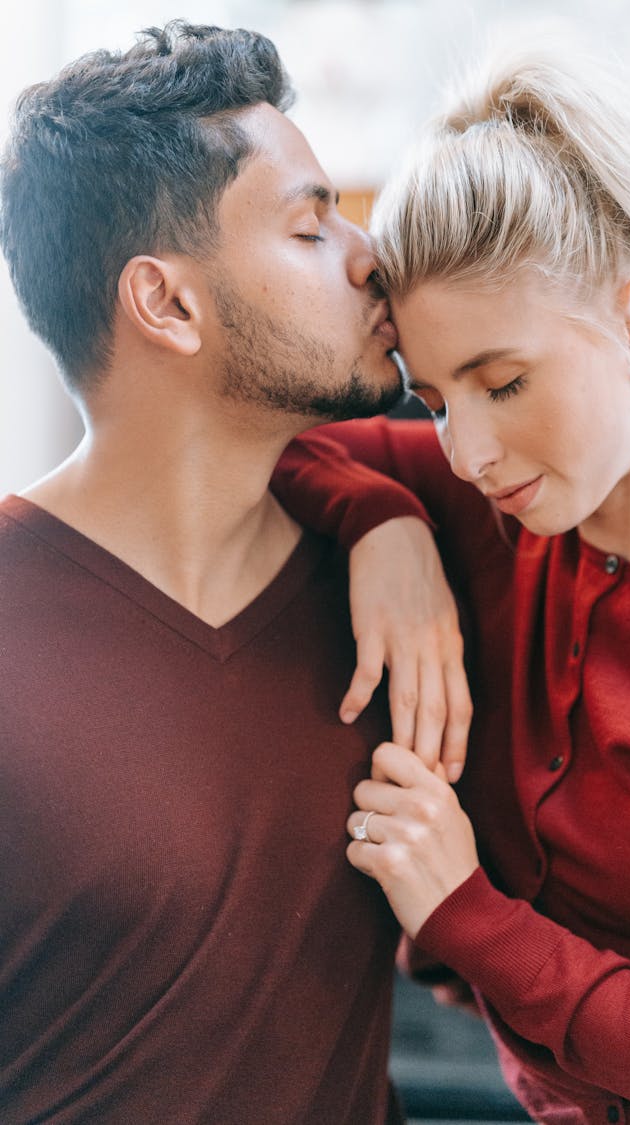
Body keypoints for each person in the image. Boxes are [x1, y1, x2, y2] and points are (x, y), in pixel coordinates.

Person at [0, 20, 472, 1123]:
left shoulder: (391, 593)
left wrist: (388, 519)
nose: (369, 258)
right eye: (311, 228)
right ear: (167, 304)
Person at [271, 48, 630, 1125]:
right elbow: (264, 441)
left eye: (505, 383)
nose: (471, 450)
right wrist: (382, 521)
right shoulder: (498, 508)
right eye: (436, 400)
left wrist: (468, 918)